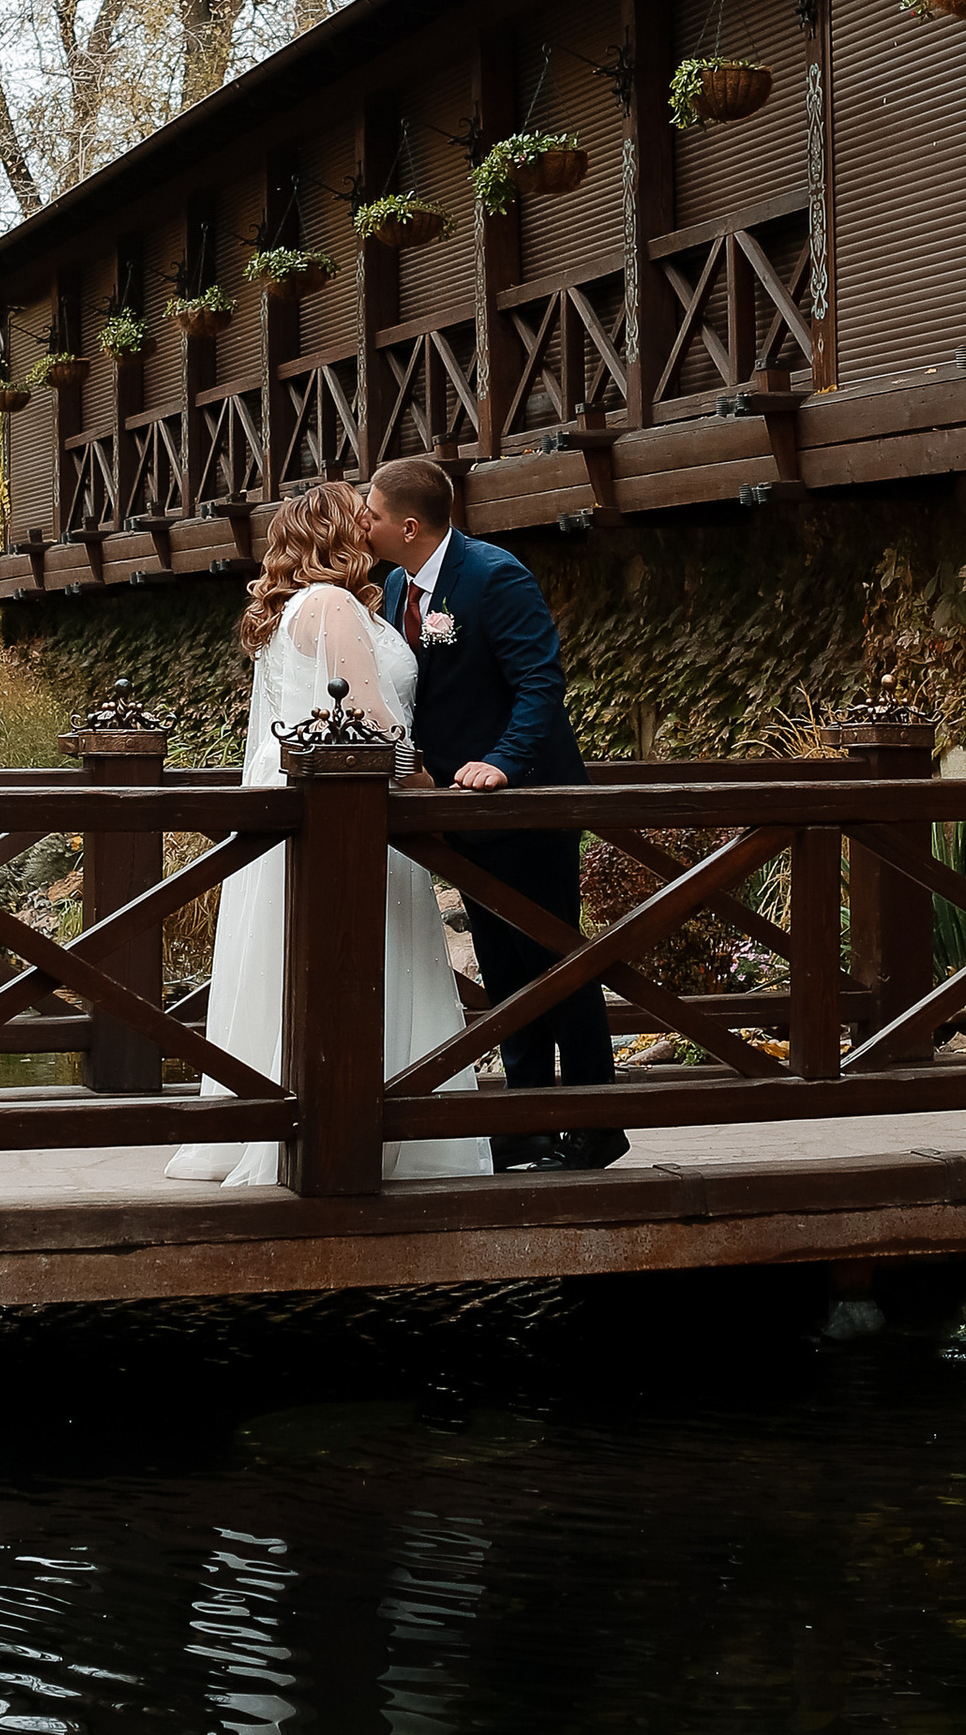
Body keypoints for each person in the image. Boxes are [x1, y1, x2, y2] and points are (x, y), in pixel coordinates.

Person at [165, 479, 492, 1189]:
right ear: (338, 535)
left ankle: (289, 1117)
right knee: (363, 958)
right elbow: (371, 721)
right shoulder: (334, 604)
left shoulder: (294, 611)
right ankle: (368, 1127)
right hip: (353, 820)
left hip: (315, 816)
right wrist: (425, 783)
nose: (372, 526)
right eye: (360, 517)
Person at [359, 457, 627, 1174]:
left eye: (372, 513)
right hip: (459, 807)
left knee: (556, 959)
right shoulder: (393, 586)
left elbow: (540, 682)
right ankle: (524, 1122)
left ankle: (598, 1120)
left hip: (524, 800)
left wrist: (503, 762)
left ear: (408, 525)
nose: (364, 522)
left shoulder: (494, 575)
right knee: (506, 969)